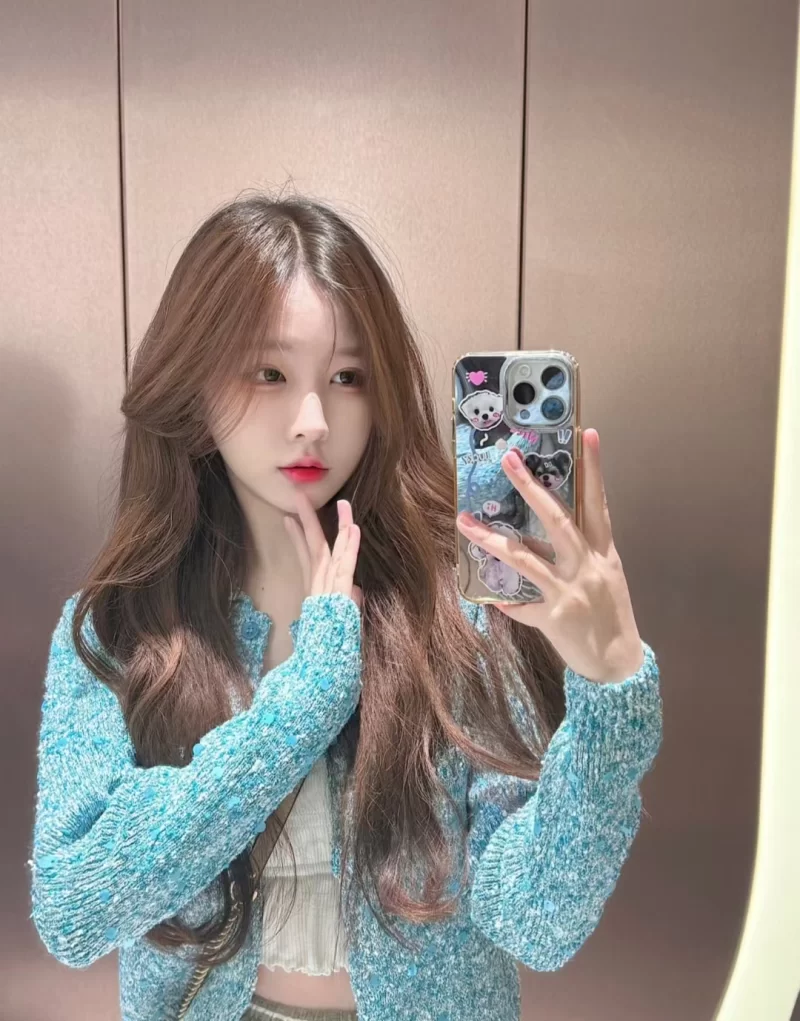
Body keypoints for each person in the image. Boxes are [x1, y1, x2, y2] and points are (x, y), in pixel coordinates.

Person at [28, 194, 663, 1021]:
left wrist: (610, 694)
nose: (313, 421)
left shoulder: (458, 611)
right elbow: (73, 909)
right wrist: (306, 698)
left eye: (346, 377)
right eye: (269, 373)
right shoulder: (120, 628)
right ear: (194, 383)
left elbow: (534, 923)